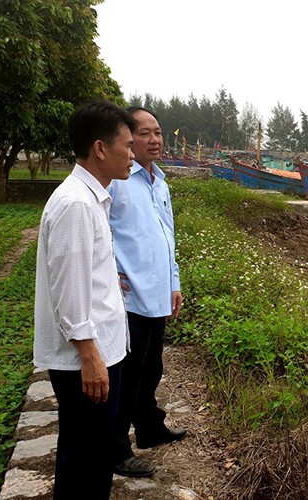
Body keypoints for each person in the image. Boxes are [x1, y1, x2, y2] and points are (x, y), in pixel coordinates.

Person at [33, 99, 136, 499]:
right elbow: (69, 292)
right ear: (100, 149)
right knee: (86, 459)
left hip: (101, 353)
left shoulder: (90, 198)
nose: (132, 155)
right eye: (127, 146)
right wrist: (91, 357)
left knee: (93, 453)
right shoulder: (76, 204)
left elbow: (84, 273)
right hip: (88, 361)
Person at [108, 107, 186, 477]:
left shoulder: (160, 183)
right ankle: (116, 449)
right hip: (129, 298)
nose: (154, 140)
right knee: (127, 376)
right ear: (127, 138)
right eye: (144, 133)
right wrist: (107, 270)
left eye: (158, 132)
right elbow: (98, 230)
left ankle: (150, 428)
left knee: (152, 368)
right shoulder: (117, 181)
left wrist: (174, 283)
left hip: (158, 293)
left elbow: (167, 238)